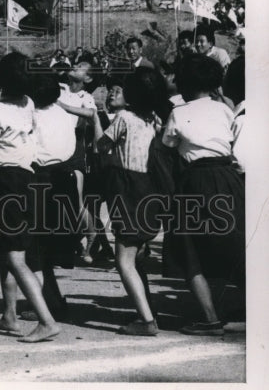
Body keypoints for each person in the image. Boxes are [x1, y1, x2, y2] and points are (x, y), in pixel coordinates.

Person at [161, 54, 245, 336]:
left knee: (189, 249)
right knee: (236, 242)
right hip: (228, 177)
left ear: (183, 82)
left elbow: (169, 143)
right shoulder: (223, 109)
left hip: (195, 181)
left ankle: (209, 317)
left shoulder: (178, 112)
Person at [0, 53, 60, 343]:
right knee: (9, 252)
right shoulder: (28, 104)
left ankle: (46, 320)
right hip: (28, 179)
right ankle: (10, 315)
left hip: (5, 182)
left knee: (13, 257)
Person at [92, 67, 167, 336]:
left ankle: (147, 321)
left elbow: (101, 146)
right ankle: (146, 309)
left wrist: (94, 119)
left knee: (123, 259)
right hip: (149, 189)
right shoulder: (153, 119)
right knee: (137, 257)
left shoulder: (123, 117)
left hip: (128, 189)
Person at [24, 71, 79, 318]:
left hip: (41, 179)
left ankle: (44, 305)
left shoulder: (33, 116)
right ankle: (53, 299)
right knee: (48, 248)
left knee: (34, 247)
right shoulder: (63, 113)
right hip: (64, 180)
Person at [58, 57, 98, 263]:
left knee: (76, 198)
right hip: (54, 142)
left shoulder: (86, 96)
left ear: (88, 78)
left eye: (82, 67)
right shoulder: (59, 87)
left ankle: (91, 234)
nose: (76, 66)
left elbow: (91, 114)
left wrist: (62, 106)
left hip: (74, 146)